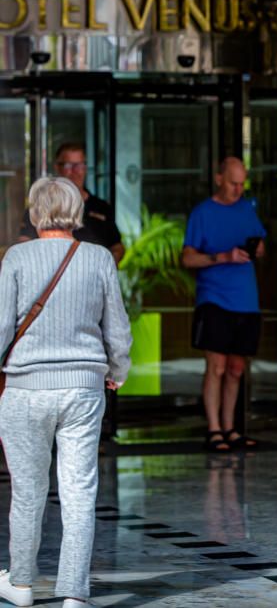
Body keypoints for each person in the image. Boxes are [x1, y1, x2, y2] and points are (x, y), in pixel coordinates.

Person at [0, 177, 132, 608]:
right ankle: (74, 592)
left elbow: (2, 328)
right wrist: (118, 369)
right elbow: (116, 326)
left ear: (35, 211)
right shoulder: (97, 258)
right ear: (76, 211)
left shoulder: (16, 257)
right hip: (83, 387)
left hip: (24, 390)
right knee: (78, 491)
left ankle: (19, 585)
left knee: (27, 490)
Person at [181, 157, 266, 452]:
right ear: (218, 179)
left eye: (242, 184)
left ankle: (231, 427)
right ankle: (214, 428)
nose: (237, 189)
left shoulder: (246, 209)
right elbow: (187, 258)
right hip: (214, 297)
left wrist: (256, 249)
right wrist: (222, 257)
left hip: (246, 299)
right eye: (232, 183)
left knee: (236, 367)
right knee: (215, 365)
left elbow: (262, 245)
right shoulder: (202, 213)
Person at [18, 143, 125, 265]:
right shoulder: (41, 206)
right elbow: (24, 242)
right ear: (57, 167)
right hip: (50, 273)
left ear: (85, 168)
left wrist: (105, 265)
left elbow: (117, 246)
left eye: (79, 165)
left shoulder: (101, 207)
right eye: (68, 165)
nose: (74, 171)